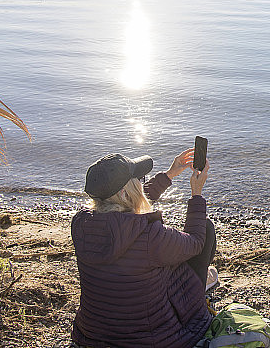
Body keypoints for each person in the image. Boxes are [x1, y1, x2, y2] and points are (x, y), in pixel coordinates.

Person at [71, 148, 217, 348]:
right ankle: (199, 288)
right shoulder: (150, 236)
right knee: (205, 229)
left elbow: (123, 204)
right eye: (139, 180)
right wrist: (197, 194)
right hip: (150, 339)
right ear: (125, 192)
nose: (141, 183)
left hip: (92, 334)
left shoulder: (80, 224)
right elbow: (196, 242)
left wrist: (169, 175)